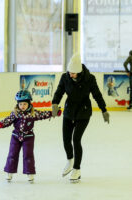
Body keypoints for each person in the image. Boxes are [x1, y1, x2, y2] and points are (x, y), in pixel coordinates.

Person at [51, 52, 110, 183]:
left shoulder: (90, 79)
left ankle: (77, 169)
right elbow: (59, 91)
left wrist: (104, 110)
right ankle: (70, 160)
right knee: (66, 139)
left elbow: (97, 95)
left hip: (83, 113)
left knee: (76, 140)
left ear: (79, 72)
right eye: (69, 72)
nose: (70, 74)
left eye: (73, 73)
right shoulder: (65, 77)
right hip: (69, 111)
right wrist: (55, 103)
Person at [0, 90, 62, 183]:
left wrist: (54, 113)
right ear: (17, 104)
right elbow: (8, 120)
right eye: (20, 104)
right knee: (12, 154)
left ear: (29, 103)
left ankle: (30, 172)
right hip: (15, 136)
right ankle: (9, 171)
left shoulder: (33, 113)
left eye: (24, 104)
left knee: (28, 155)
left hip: (28, 136)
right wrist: (0, 124)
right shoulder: (15, 113)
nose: (22, 106)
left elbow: (43, 114)